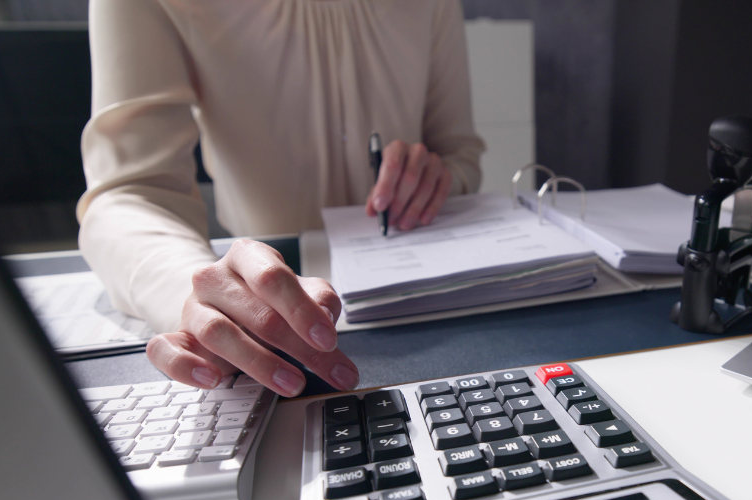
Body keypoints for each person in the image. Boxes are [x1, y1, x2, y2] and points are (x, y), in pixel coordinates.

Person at [76, 0, 485, 396]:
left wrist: (437, 178)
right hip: (265, 326)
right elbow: (129, 192)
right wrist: (195, 293)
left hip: (425, 307)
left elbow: (459, 154)